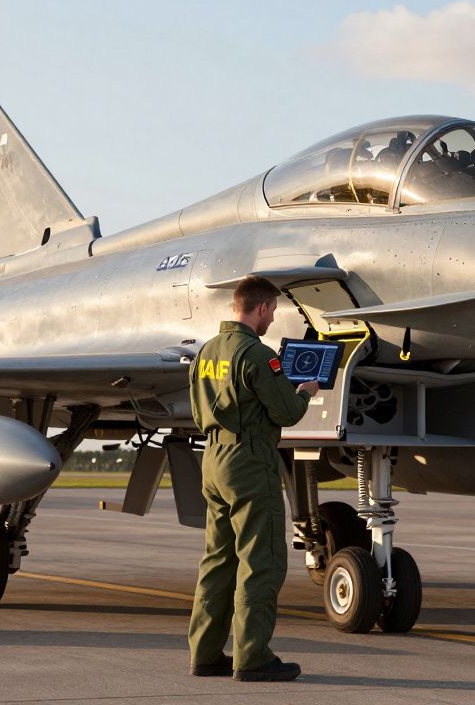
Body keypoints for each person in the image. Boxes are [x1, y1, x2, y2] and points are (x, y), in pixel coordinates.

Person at [187, 276, 319, 682]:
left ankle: (206, 654)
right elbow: (286, 413)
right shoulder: (257, 355)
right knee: (260, 562)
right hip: (249, 462)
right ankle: (253, 658)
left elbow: (195, 412)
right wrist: (305, 392)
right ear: (261, 308)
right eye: (273, 311)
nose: (273, 318)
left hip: (213, 458)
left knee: (218, 560)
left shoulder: (206, 351)